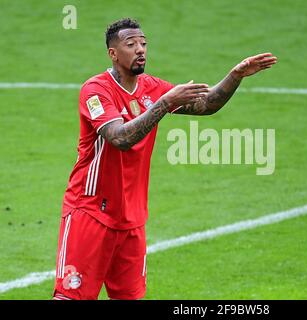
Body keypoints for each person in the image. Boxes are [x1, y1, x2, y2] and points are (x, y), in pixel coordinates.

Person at [53, 17, 277, 300]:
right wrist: (165, 103)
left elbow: (207, 104)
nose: (140, 50)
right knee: (71, 297)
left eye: (144, 43)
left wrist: (235, 75)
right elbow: (120, 138)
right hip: (91, 211)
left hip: (131, 219)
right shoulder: (96, 90)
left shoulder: (151, 87)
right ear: (113, 53)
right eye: (131, 44)